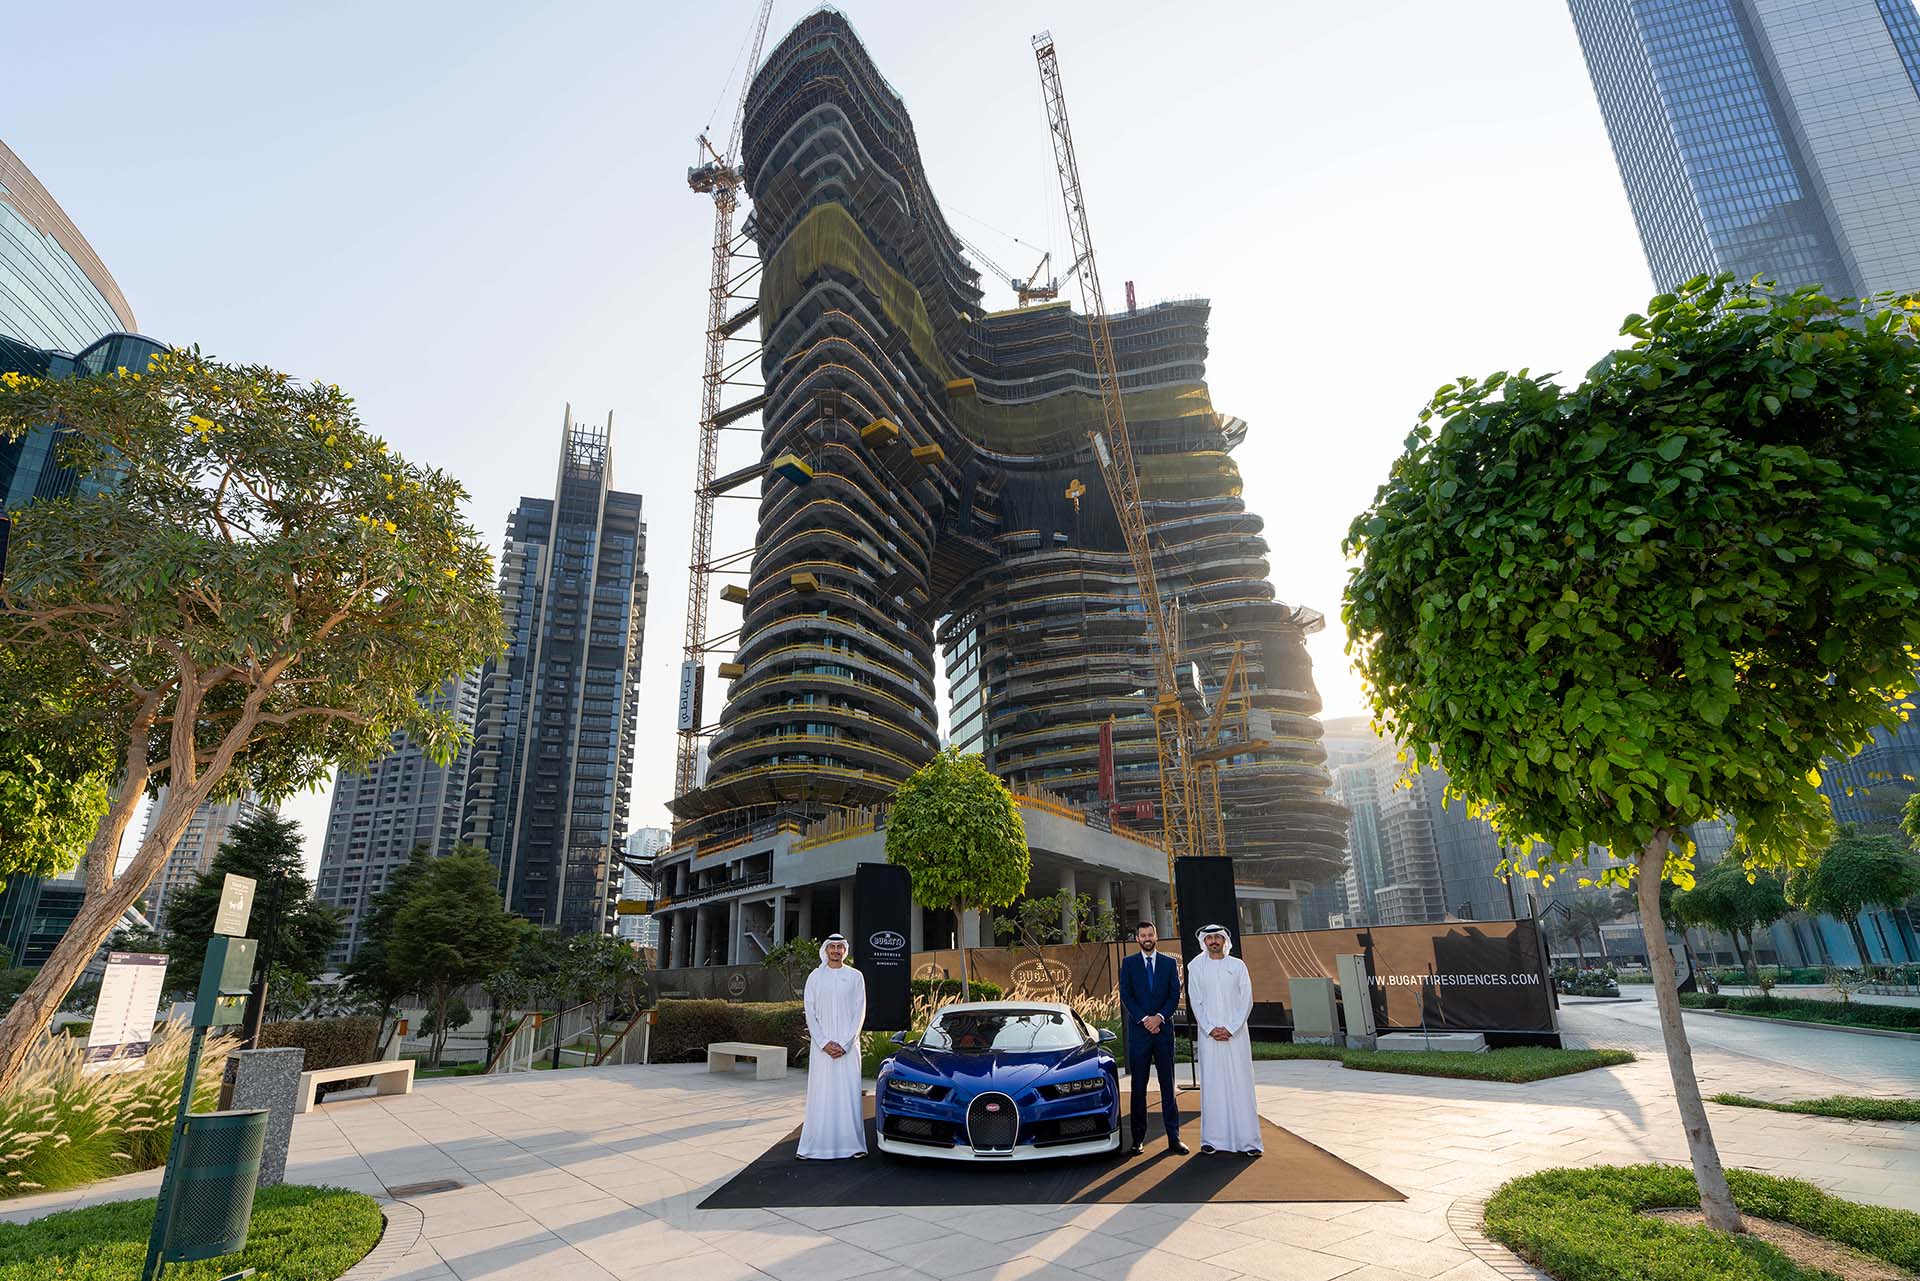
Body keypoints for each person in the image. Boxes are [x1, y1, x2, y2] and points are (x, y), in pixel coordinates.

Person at [1187, 924, 1262, 1156]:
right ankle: (1212, 1140)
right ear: (1204, 942)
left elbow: (1246, 1000)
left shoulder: (1238, 966)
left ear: (1224, 941)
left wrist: (1230, 1028)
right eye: (1209, 938)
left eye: (1217, 937)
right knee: (1213, 1085)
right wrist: (1210, 1029)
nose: (1213, 941)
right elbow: (1195, 1001)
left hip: (1236, 1037)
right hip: (1209, 1037)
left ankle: (1249, 1142)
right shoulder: (1196, 967)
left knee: (1241, 1084)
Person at [1118, 920, 1188, 1156]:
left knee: (1168, 1086)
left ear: (1156, 936)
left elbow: (1174, 994)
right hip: (1140, 1035)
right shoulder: (1129, 963)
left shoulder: (1169, 963)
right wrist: (1145, 1020)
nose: (1147, 938)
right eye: (1143, 935)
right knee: (1138, 1087)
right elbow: (1126, 994)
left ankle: (1174, 1138)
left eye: (1150, 934)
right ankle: (1138, 1139)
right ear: (1137, 938)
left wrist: (1159, 1018)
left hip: (1163, 1033)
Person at [798, 934, 867, 1160]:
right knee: (821, 1095)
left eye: (840, 947)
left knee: (849, 1096)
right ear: (826, 950)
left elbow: (860, 1012)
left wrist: (846, 1044)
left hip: (849, 1048)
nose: (836, 950)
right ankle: (816, 1146)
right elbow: (810, 1013)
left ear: (844, 950)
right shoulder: (815, 977)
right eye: (832, 947)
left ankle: (853, 1146)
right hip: (822, 1049)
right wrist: (824, 1043)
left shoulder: (855, 976)